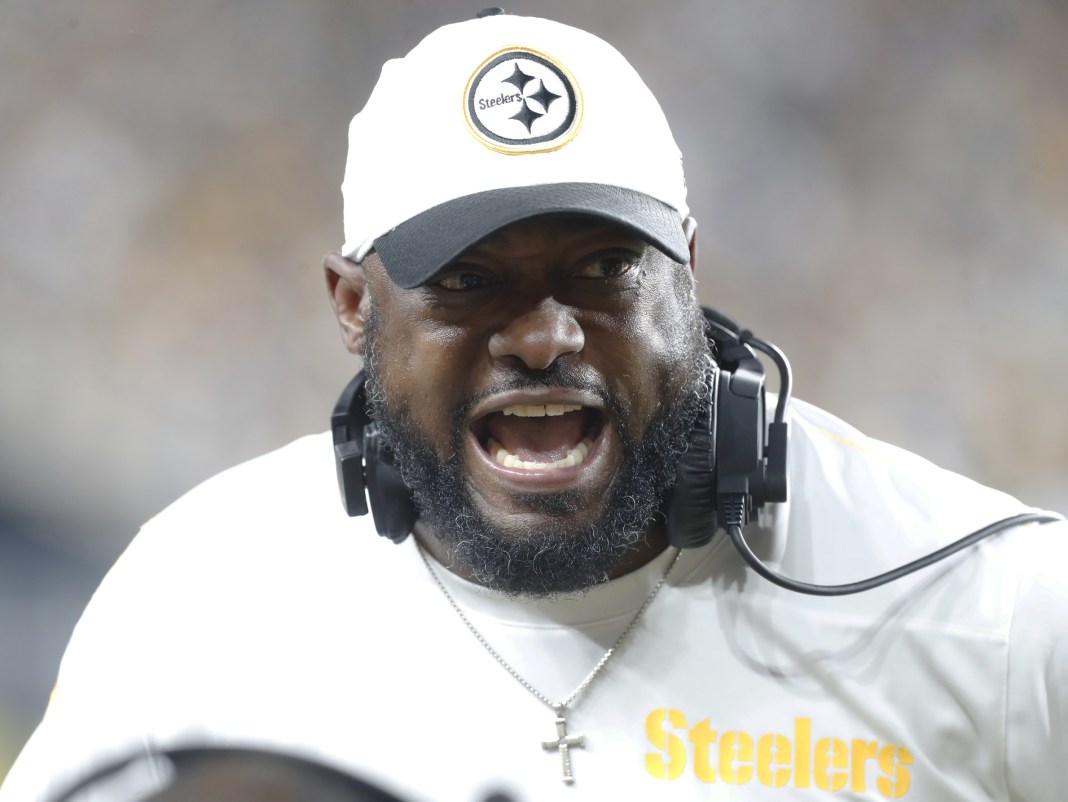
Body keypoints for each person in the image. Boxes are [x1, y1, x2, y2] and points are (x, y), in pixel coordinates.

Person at [3, 10, 1067, 802]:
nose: (546, 334)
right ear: (353, 305)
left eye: (605, 266)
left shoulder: (995, 603)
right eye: (469, 281)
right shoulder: (196, 597)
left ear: (688, 275)